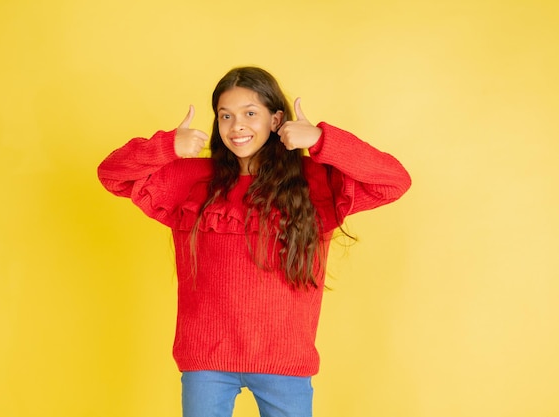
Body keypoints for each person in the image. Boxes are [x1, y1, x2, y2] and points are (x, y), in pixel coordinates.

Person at [97, 66, 411, 417]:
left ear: (276, 120)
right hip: (206, 360)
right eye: (225, 116)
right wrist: (166, 146)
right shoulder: (192, 179)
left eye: (250, 114)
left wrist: (321, 141)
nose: (237, 126)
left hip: (284, 361)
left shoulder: (313, 182)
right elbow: (111, 174)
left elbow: (393, 181)